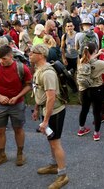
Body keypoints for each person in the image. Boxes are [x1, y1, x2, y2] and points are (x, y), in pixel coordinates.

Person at [0, 45, 32, 168]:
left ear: (11, 56)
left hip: (17, 103)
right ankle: (1, 155)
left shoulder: (22, 68)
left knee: (18, 129)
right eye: (0, 58)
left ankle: (20, 154)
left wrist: (17, 96)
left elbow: (29, 85)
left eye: (4, 59)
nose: (2, 61)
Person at [30, 44, 69, 189]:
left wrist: (45, 121)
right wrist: (36, 109)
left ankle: (63, 175)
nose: (30, 54)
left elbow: (51, 98)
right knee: (51, 140)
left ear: (41, 55)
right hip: (45, 111)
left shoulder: (47, 73)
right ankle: (54, 166)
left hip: (54, 113)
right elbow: (38, 91)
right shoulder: (38, 69)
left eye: (33, 52)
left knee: (55, 142)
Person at [77, 42, 104, 141]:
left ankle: (81, 129)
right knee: (97, 112)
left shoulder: (82, 61)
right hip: (96, 89)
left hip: (84, 90)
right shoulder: (99, 63)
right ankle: (96, 133)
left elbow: (90, 59)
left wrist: (98, 54)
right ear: (94, 51)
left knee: (84, 109)